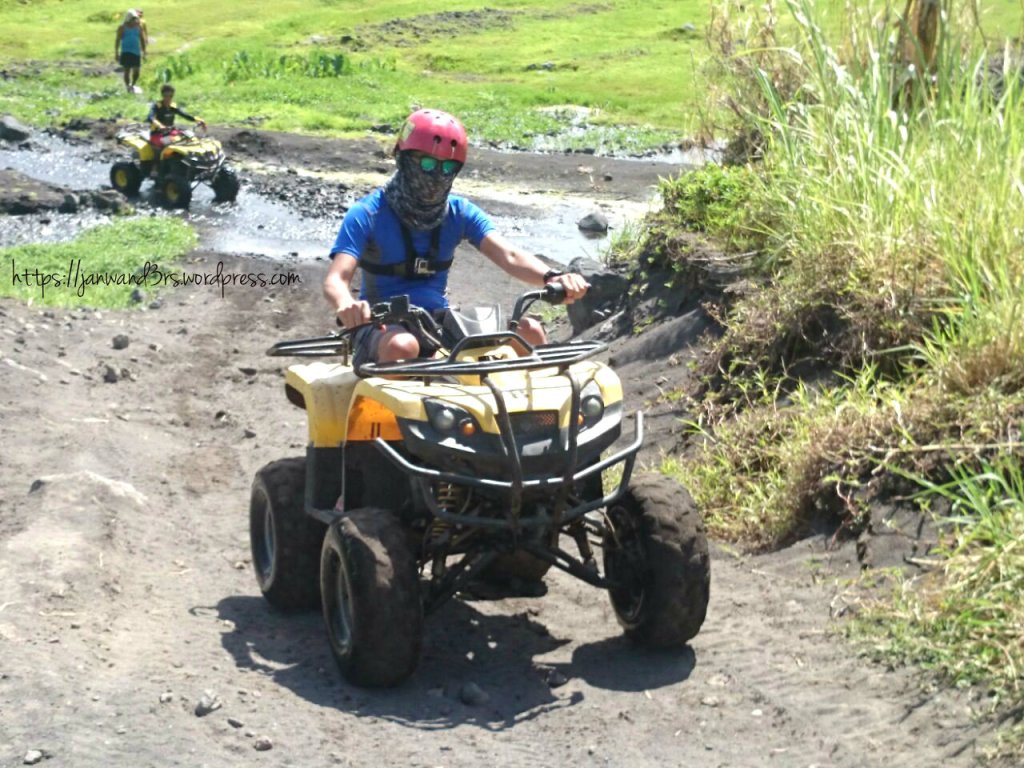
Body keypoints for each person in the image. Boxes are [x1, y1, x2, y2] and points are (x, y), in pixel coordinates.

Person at [324, 108, 588, 367]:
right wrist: (346, 303)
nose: (437, 175)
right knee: (403, 346)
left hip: (438, 323)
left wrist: (552, 277)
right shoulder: (367, 213)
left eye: (448, 167)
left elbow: (509, 255)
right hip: (381, 326)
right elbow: (336, 279)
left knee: (530, 331)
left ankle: (535, 398)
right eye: (427, 164)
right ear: (402, 158)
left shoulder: (459, 212)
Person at [147, 84, 206, 148]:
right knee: (171, 142)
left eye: (170, 96)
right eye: (165, 96)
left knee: (188, 137)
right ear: (162, 95)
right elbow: (150, 117)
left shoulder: (173, 106)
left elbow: (185, 115)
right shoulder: (157, 106)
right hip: (156, 134)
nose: (168, 98)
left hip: (170, 132)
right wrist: (160, 125)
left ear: (172, 95)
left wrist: (198, 120)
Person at [114, 9, 147, 93]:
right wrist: (116, 53)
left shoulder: (139, 27)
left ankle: (133, 84)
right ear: (128, 19)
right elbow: (118, 40)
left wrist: (144, 52)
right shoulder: (122, 27)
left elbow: (142, 39)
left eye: (135, 19)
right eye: (133, 19)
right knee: (127, 70)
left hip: (136, 52)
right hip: (126, 52)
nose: (135, 20)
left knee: (136, 71)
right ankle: (128, 86)